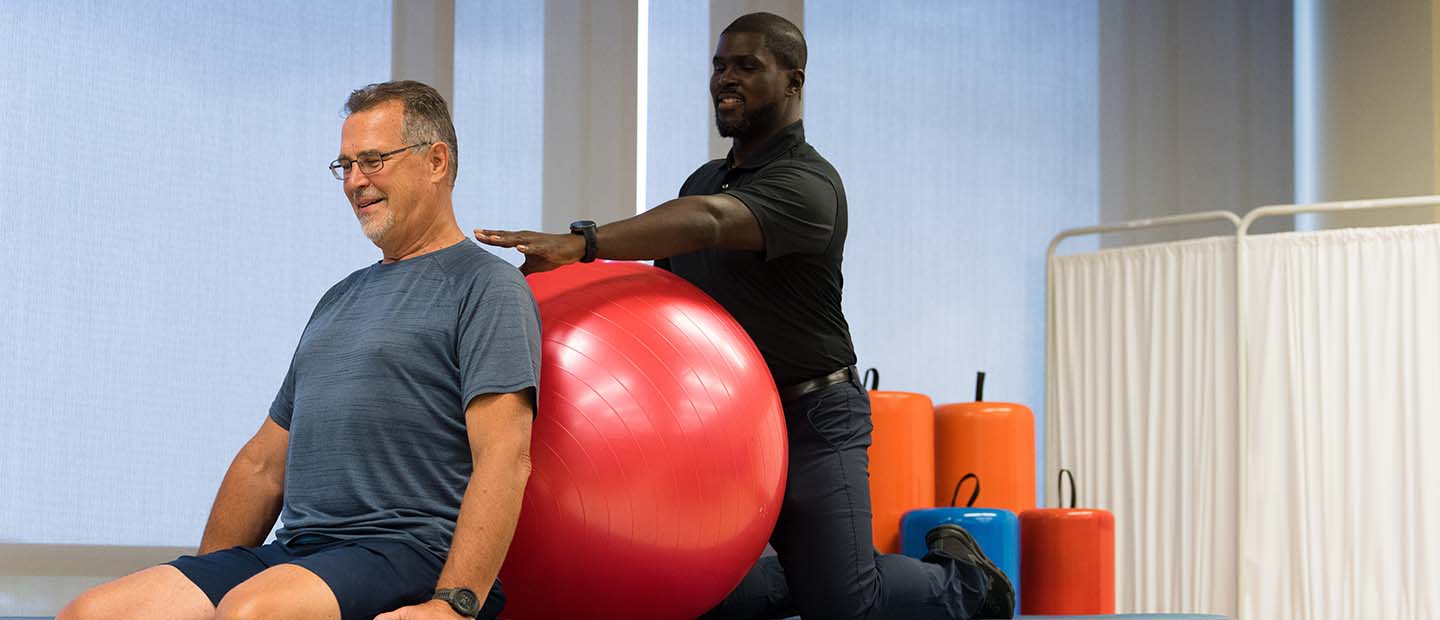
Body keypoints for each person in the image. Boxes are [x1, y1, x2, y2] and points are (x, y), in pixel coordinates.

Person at [475, 12, 1014, 620]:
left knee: (844, 608)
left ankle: (966, 579)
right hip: (726, 431)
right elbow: (665, 308)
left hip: (813, 418)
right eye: (719, 66)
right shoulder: (704, 181)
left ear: (793, 81)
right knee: (688, 595)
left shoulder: (810, 186)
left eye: (747, 66)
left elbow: (711, 220)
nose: (725, 79)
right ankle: (808, 573)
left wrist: (583, 242)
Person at [58, 81, 541, 620]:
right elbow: (264, 464)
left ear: (435, 161)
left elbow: (505, 457)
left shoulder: (486, 286)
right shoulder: (339, 299)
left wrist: (453, 605)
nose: (356, 181)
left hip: (408, 551)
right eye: (345, 166)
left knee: (253, 613)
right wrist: (206, 587)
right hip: (299, 553)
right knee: (93, 612)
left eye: (373, 160)